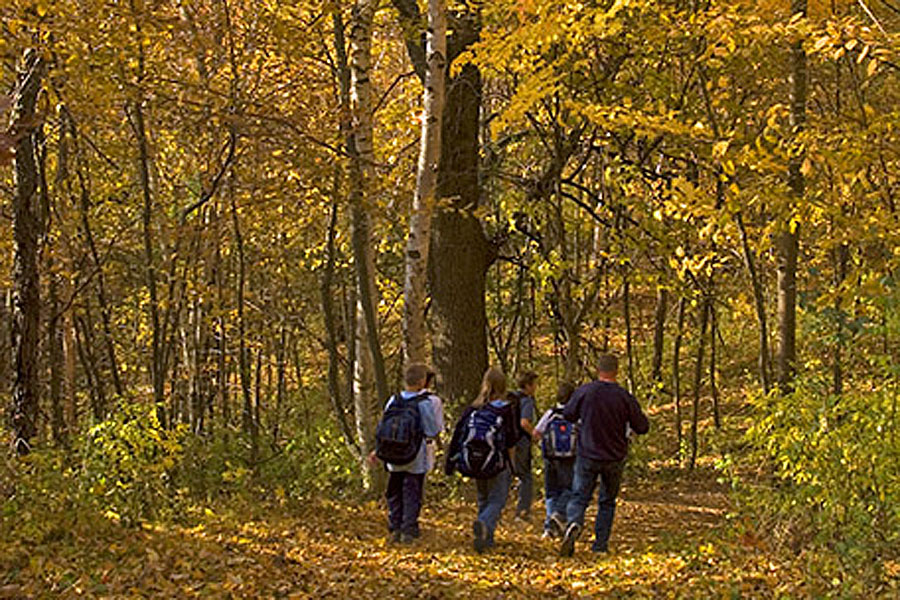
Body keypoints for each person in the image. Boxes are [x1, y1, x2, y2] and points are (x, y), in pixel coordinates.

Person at [559, 354, 649, 556]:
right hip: (614, 456)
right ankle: (600, 545)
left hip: (588, 453)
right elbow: (642, 426)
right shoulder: (624, 397)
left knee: (580, 496)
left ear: (598, 370)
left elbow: (568, 414)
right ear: (616, 371)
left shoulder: (586, 392)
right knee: (607, 501)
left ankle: (574, 523)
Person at [445, 367, 518, 552]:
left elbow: (458, 434)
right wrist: (512, 465)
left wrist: (450, 461)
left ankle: (487, 539)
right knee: (497, 500)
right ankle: (484, 523)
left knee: (483, 497)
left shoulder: (473, 409)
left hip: (476, 462)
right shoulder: (506, 410)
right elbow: (511, 439)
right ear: (503, 386)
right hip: (497, 462)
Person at [371, 363, 444, 544]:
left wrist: (378, 451)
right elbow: (432, 430)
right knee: (412, 491)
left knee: (394, 490)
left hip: (392, 455)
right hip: (416, 455)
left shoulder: (393, 400)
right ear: (422, 381)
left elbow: (383, 428)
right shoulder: (429, 402)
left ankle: (394, 526)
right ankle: (409, 530)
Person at [532, 381, 576, 538]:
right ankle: (557, 515)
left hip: (550, 457)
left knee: (551, 492)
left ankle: (549, 528)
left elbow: (536, 433)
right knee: (569, 489)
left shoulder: (551, 413)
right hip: (570, 458)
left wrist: (543, 443)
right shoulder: (575, 414)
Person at [510, 371, 538, 521]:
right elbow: (524, 422)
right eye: (534, 384)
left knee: (509, 475)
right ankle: (522, 512)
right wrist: (535, 434)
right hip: (521, 443)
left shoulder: (511, 398)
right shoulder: (527, 400)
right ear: (527, 385)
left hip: (509, 442)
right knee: (526, 477)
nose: (535, 388)